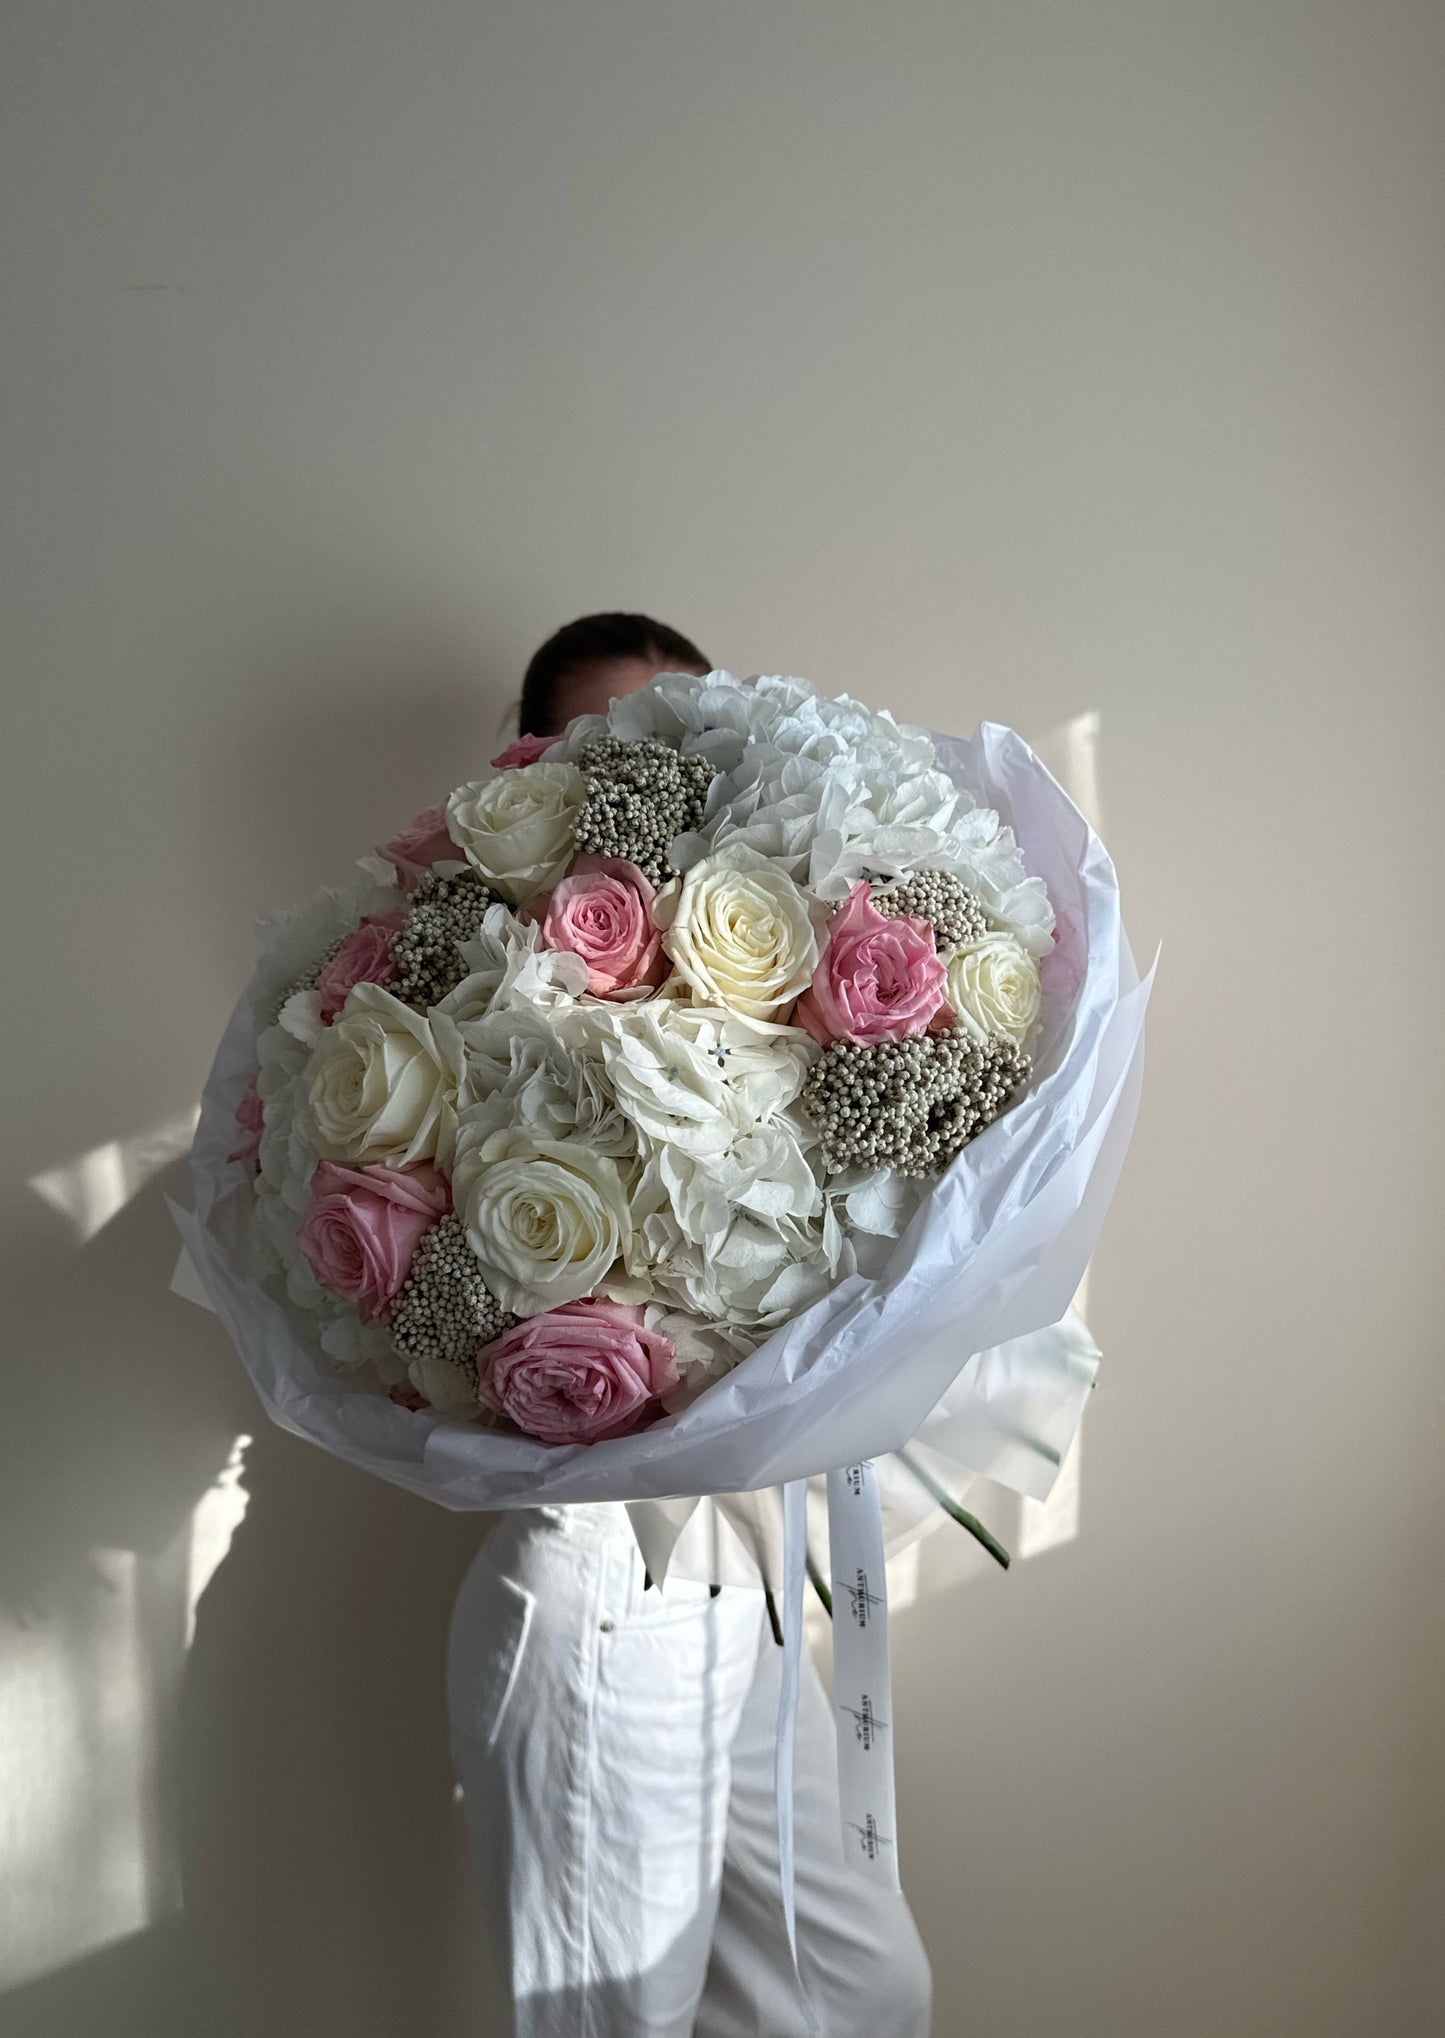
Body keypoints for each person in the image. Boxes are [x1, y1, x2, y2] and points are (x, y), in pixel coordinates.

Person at [448, 613, 934, 2037]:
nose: (655, 775)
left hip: (740, 1558)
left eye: (685, 738)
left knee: (857, 1992)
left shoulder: (776, 966)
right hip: (605, 1567)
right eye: (611, 745)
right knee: (616, 2015)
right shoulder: (481, 1000)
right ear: (532, 766)